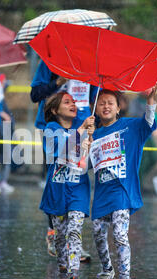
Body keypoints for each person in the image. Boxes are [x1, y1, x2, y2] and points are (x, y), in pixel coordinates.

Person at [89, 81, 157, 279]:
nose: (106, 106)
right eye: (101, 104)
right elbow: (86, 165)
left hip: (122, 192)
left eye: (110, 103)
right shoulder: (94, 134)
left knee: (120, 235)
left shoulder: (131, 126)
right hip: (101, 194)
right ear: (96, 109)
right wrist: (86, 136)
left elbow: (149, 123)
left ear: (119, 107)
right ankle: (107, 271)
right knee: (98, 234)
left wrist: (150, 99)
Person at [31, 59, 95, 262]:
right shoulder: (51, 60)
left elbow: (94, 97)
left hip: (82, 126)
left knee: (77, 179)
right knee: (57, 179)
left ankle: (73, 242)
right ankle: (55, 232)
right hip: (56, 129)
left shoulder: (92, 62)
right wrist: (58, 82)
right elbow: (35, 95)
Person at [40, 91, 95, 279]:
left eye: (73, 101)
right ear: (55, 110)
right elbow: (59, 150)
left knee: (74, 230)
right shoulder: (50, 128)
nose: (73, 104)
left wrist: (90, 143)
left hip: (78, 189)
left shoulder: (82, 130)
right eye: (66, 102)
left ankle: (73, 274)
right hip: (57, 190)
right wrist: (81, 130)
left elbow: (88, 164)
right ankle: (63, 264)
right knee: (60, 236)